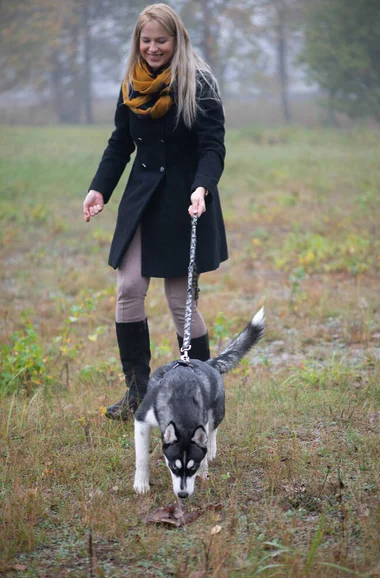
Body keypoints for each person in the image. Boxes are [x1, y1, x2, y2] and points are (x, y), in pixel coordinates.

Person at [83, 3, 228, 420]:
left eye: (160, 41)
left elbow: (212, 147)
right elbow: (119, 144)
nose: (152, 48)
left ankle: (200, 391)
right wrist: (99, 189)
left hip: (186, 202)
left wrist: (202, 186)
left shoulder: (198, 84)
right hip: (142, 203)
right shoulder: (132, 85)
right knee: (128, 288)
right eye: (146, 41)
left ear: (176, 39)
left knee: (180, 300)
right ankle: (137, 394)